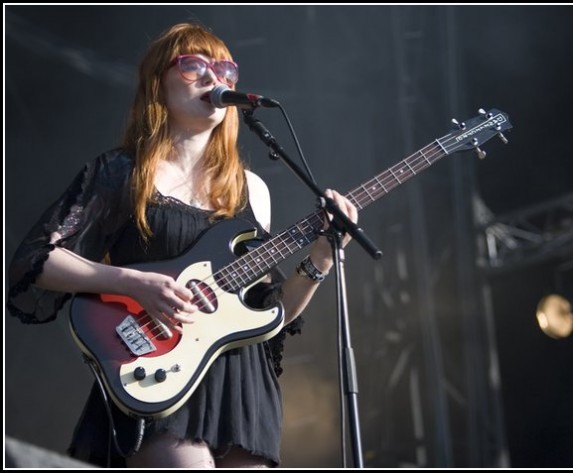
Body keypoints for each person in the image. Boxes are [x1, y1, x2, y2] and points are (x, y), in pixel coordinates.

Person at [7, 22, 358, 468]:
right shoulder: (122, 172)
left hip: (240, 386)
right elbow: (37, 260)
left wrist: (322, 257)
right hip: (156, 371)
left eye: (226, 70)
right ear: (158, 83)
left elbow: (271, 312)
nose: (216, 79)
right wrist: (132, 282)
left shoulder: (251, 191)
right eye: (194, 66)